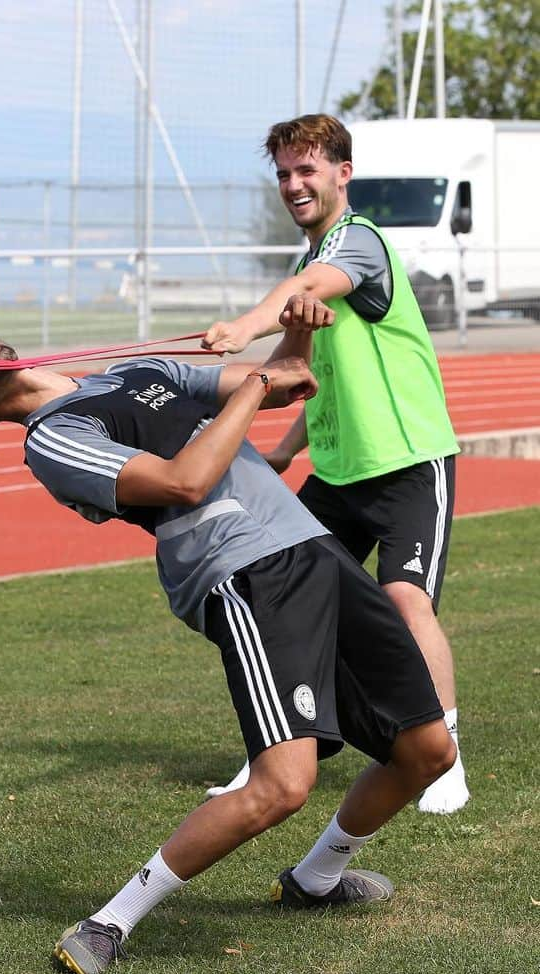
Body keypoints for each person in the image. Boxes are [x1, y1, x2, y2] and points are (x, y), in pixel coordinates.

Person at [0, 303, 457, 974]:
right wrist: (260, 386)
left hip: (313, 549)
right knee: (283, 785)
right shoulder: (54, 436)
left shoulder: (137, 371)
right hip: (246, 568)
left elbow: (281, 379)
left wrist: (302, 328)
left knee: (427, 750)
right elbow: (184, 481)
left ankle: (315, 879)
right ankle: (109, 920)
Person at [202, 113, 468, 815]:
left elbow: (304, 295)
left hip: (409, 460)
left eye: (307, 170)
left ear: (341, 174)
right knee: (279, 597)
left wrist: (241, 327)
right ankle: (279, 751)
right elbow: (297, 371)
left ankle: (445, 752)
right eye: (285, 173)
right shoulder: (304, 269)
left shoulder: (360, 244)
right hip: (340, 474)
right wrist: (284, 450)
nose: (294, 184)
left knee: (405, 600)